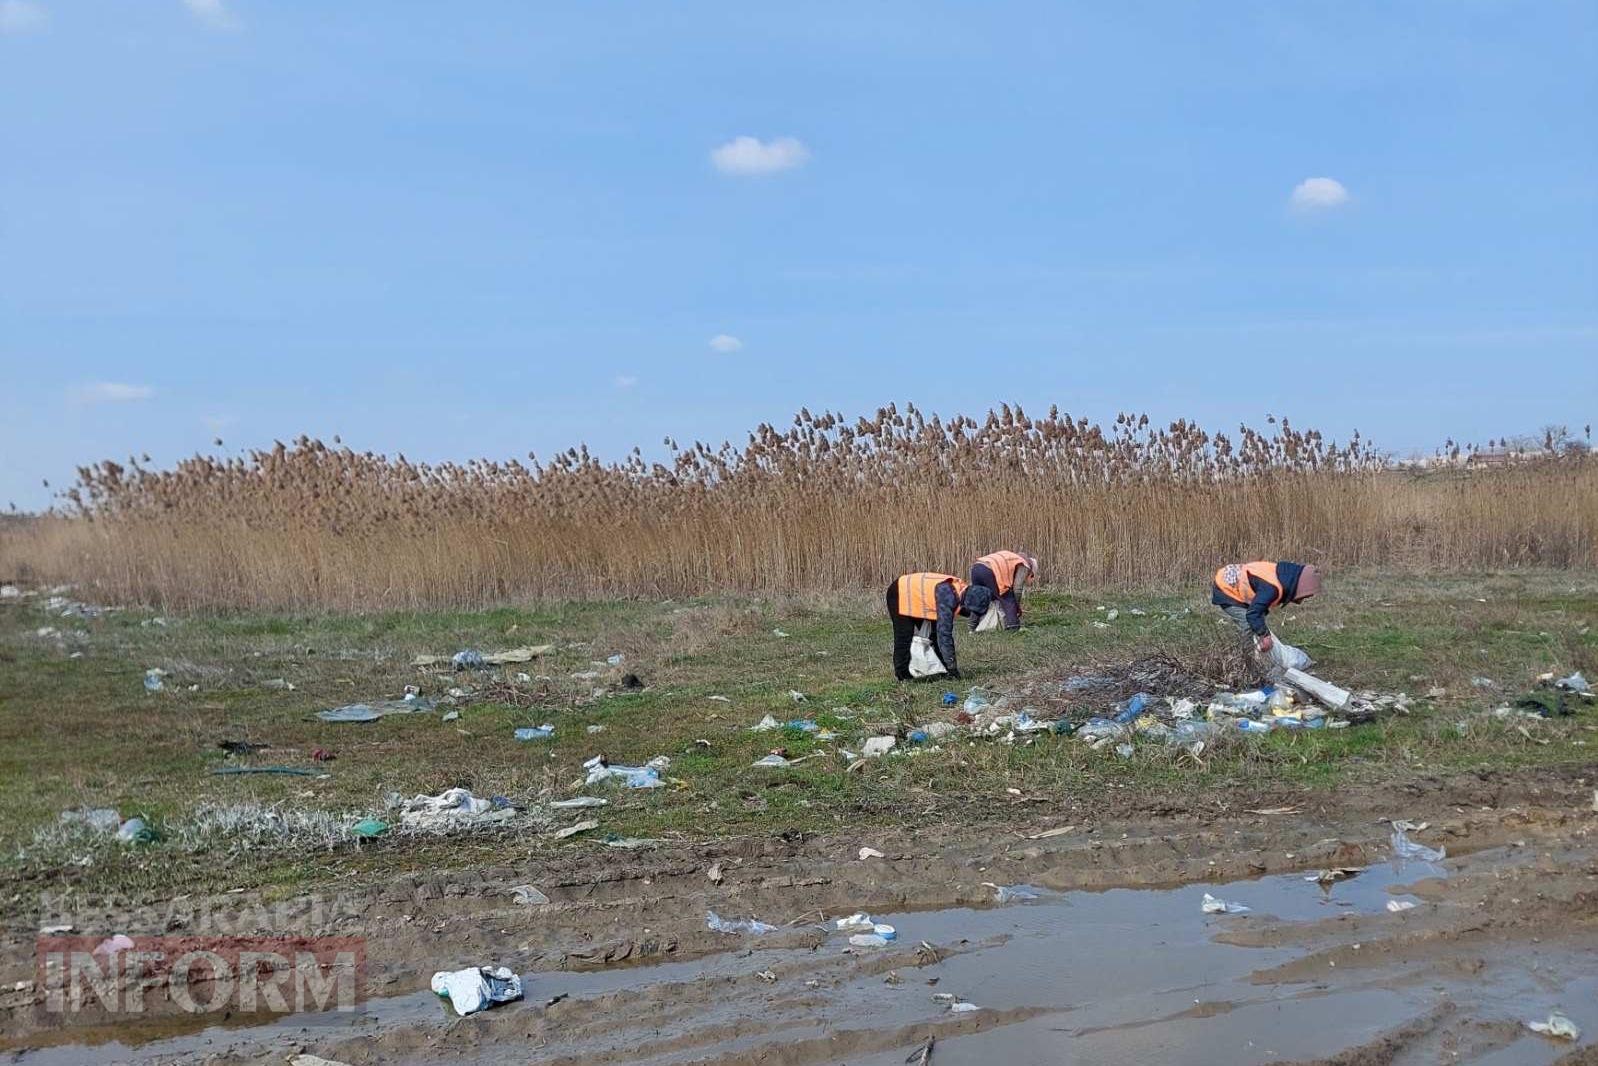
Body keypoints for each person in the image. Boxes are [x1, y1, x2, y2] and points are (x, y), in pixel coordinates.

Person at [887, 572, 993, 681]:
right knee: (904, 636)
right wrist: (952, 668)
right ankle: (902, 675)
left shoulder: (961, 590)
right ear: (968, 603)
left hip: (915, 594)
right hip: (900, 592)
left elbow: (937, 635)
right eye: (972, 611)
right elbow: (944, 635)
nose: (970, 614)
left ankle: (943, 669)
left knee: (934, 634)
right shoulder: (947, 597)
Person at [1211, 561, 1322, 651]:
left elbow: (1259, 609)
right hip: (1225, 589)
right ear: (1301, 587)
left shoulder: (1283, 577)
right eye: (1304, 596)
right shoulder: (1271, 588)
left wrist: (1262, 632)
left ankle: (1250, 652)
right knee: (1247, 623)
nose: (1302, 600)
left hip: (1233, 582)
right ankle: (1245, 661)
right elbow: (1252, 614)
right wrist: (1264, 635)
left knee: (1257, 623)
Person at [969, 550, 1038, 630]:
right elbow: (1017, 588)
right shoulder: (1024, 564)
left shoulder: (1012, 559)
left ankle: (972, 626)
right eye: (1032, 576)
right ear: (1031, 572)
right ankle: (1013, 626)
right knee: (1007, 598)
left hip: (976, 568)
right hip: (989, 571)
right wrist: (1017, 606)